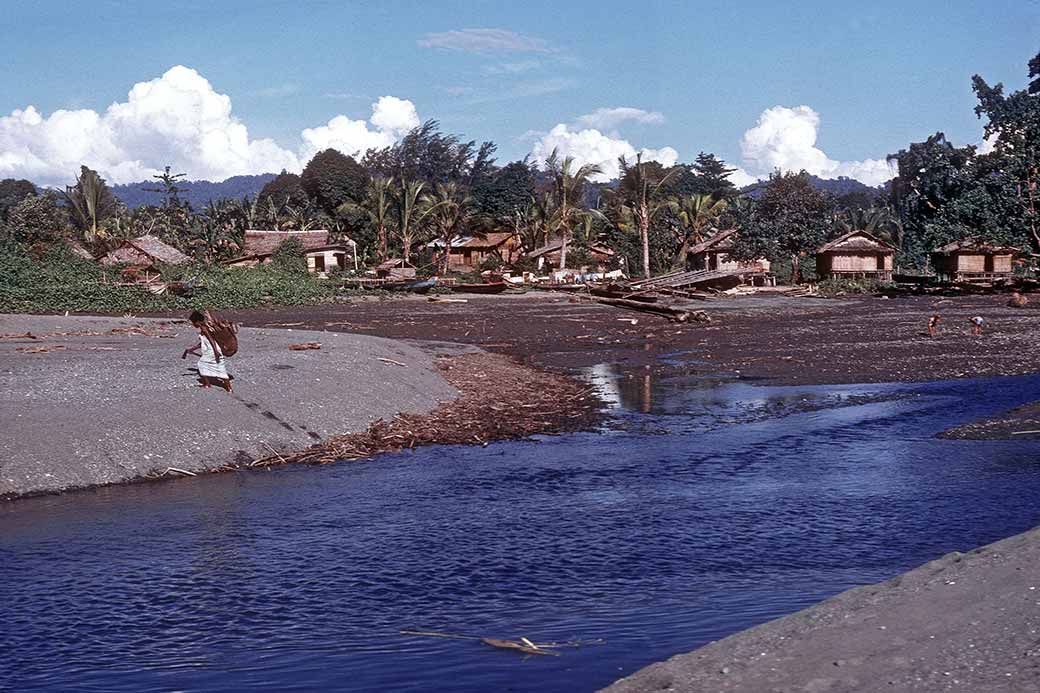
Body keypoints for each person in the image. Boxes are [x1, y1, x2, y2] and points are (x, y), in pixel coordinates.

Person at [182, 310, 232, 392]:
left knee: (203, 365)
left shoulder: (204, 328)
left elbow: (211, 340)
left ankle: (209, 384)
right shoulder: (207, 327)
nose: (193, 324)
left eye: (193, 322)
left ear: (197, 321)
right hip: (212, 350)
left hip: (212, 351)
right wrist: (191, 349)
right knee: (217, 367)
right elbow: (203, 342)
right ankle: (226, 388)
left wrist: (216, 351)